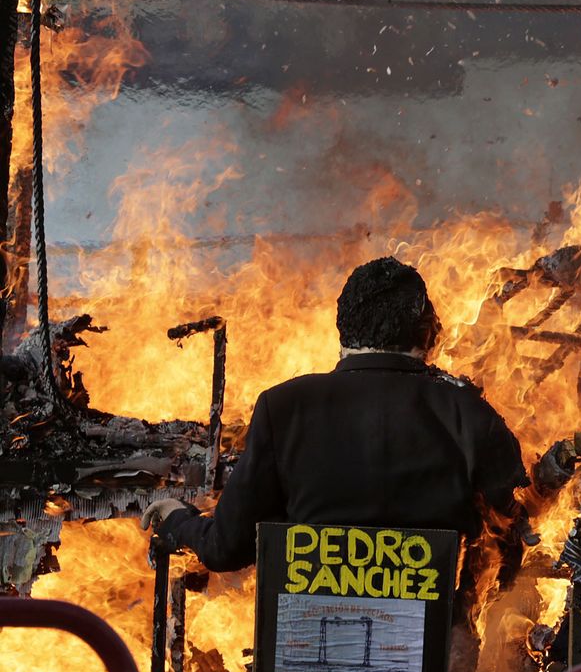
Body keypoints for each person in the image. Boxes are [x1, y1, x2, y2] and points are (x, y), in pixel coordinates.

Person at [141, 257, 531, 651]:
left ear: (343, 333)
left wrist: (178, 520)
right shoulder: (469, 413)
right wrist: (463, 617)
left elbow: (225, 549)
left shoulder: (284, 406)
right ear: (428, 335)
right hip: (426, 654)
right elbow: (507, 535)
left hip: (300, 652)